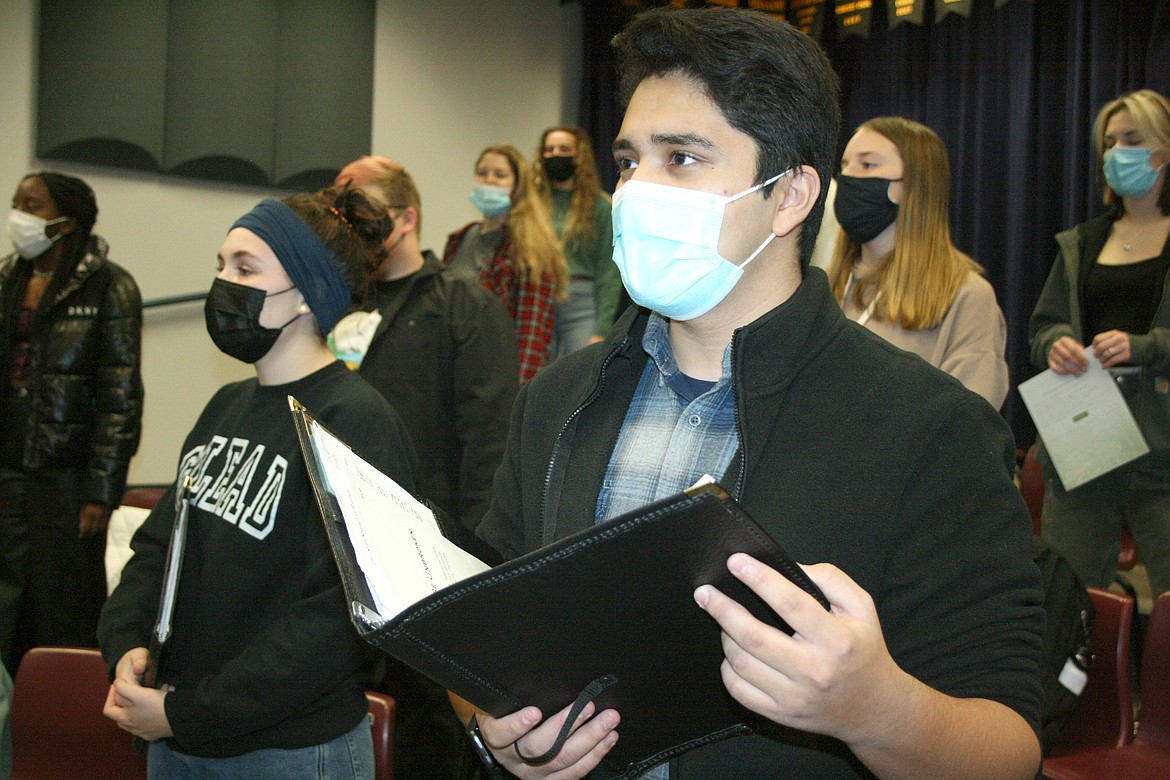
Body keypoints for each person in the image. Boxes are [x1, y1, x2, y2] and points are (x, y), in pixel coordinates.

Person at [468, 8, 1042, 779]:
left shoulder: (931, 430)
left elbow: (1007, 749)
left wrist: (876, 710)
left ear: (792, 196)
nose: (637, 190)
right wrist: (491, 724)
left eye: (683, 158)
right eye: (631, 159)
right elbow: (474, 635)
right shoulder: (559, 399)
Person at [97, 188, 417, 778]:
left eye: (245, 268)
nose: (224, 283)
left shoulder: (356, 421)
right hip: (177, 737)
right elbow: (157, 549)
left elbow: (342, 618)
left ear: (306, 292)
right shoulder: (226, 405)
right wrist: (127, 646)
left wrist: (189, 711)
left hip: (288, 750)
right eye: (221, 265)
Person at [1029, 88, 1170, 597]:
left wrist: (1147, 346)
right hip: (1085, 436)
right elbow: (1041, 329)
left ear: (1165, 150)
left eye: (1132, 139)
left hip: (1162, 446)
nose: (1117, 153)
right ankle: (1069, 679)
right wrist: (1057, 344)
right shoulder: (1083, 241)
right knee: (1065, 593)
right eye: (1110, 143)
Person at [0, 172, 142, 672]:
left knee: (62, 602)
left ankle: (59, 711)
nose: (18, 215)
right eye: (16, 202)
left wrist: (101, 492)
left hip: (68, 478)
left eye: (31, 206)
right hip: (8, 463)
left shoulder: (111, 288)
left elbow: (120, 398)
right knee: (7, 597)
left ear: (66, 220)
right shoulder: (6, 278)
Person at [333, 156, 518, 532]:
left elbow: (488, 445)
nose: (351, 229)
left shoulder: (464, 306)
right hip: (338, 512)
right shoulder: (334, 304)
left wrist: (472, 552)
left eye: (364, 214)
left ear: (407, 219)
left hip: (424, 526)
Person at [825, 117, 1009, 408]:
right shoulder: (825, 287)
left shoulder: (966, 296)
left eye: (868, 165)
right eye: (845, 165)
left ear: (913, 186)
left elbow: (971, 425)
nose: (848, 177)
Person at [444, 144, 567, 382]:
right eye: (482, 173)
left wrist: (520, 390)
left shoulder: (531, 246)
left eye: (499, 175)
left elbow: (533, 331)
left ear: (517, 186)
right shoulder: (458, 240)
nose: (488, 180)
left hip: (499, 373)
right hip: (457, 369)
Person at [533, 127, 622, 358]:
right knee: (535, 375)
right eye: (549, 150)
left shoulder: (600, 206)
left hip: (582, 300)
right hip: (538, 298)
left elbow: (608, 271)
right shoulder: (531, 207)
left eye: (564, 149)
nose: (555, 155)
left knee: (580, 371)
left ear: (579, 156)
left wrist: (602, 328)